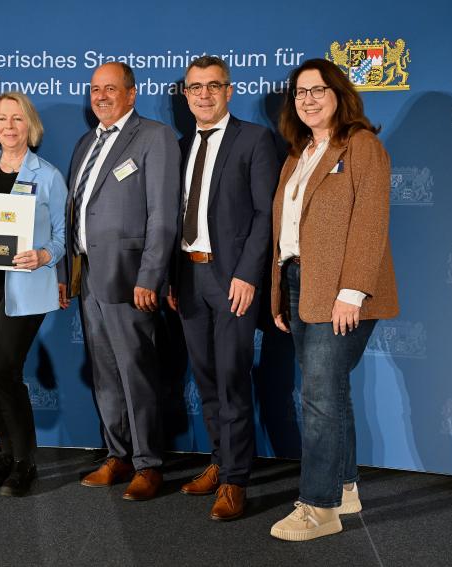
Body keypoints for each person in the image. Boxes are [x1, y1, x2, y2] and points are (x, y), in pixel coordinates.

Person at [268, 58, 399, 540]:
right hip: (300, 284)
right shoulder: (298, 154)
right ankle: (343, 488)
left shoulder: (361, 145)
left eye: (318, 90)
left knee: (319, 397)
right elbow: (286, 232)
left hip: (343, 291)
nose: (308, 99)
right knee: (330, 394)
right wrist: (281, 293)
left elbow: (370, 221)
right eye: (300, 93)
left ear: (340, 94)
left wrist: (352, 293)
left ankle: (318, 507)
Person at [58, 62, 180, 501]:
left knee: (137, 371)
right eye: (95, 89)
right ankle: (118, 453)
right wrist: (67, 274)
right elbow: (73, 215)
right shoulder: (85, 142)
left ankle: (149, 463)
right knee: (105, 372)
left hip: (131, 280)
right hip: (89, 275)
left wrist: (151, 275)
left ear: (131, 94)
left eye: (111, 89)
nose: (101, 96)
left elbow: (163, 215)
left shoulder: (154, 137)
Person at [167, 56, 278, 520]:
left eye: (214, 86)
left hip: (232, 278)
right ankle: (219, 461)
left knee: (232, 380)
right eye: (196, 87)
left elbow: (264, 214)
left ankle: (236, 481)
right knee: (207, 379)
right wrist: (171, 277)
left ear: (229, 91)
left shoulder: (254, 140)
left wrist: (249, 274)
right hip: (189, 277)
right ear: (186, 95)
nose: (205, 94)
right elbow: (173, 219)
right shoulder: (181, 144)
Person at [0, 92, 66, 496]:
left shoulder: (49, 176)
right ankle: (6, 453)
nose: (8, 126)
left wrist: (42, 255)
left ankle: (25, 462)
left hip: (25, 289)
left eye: (17, 119)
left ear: (29, 126)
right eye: (2, 119)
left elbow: (63, 237)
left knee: (5, 371)